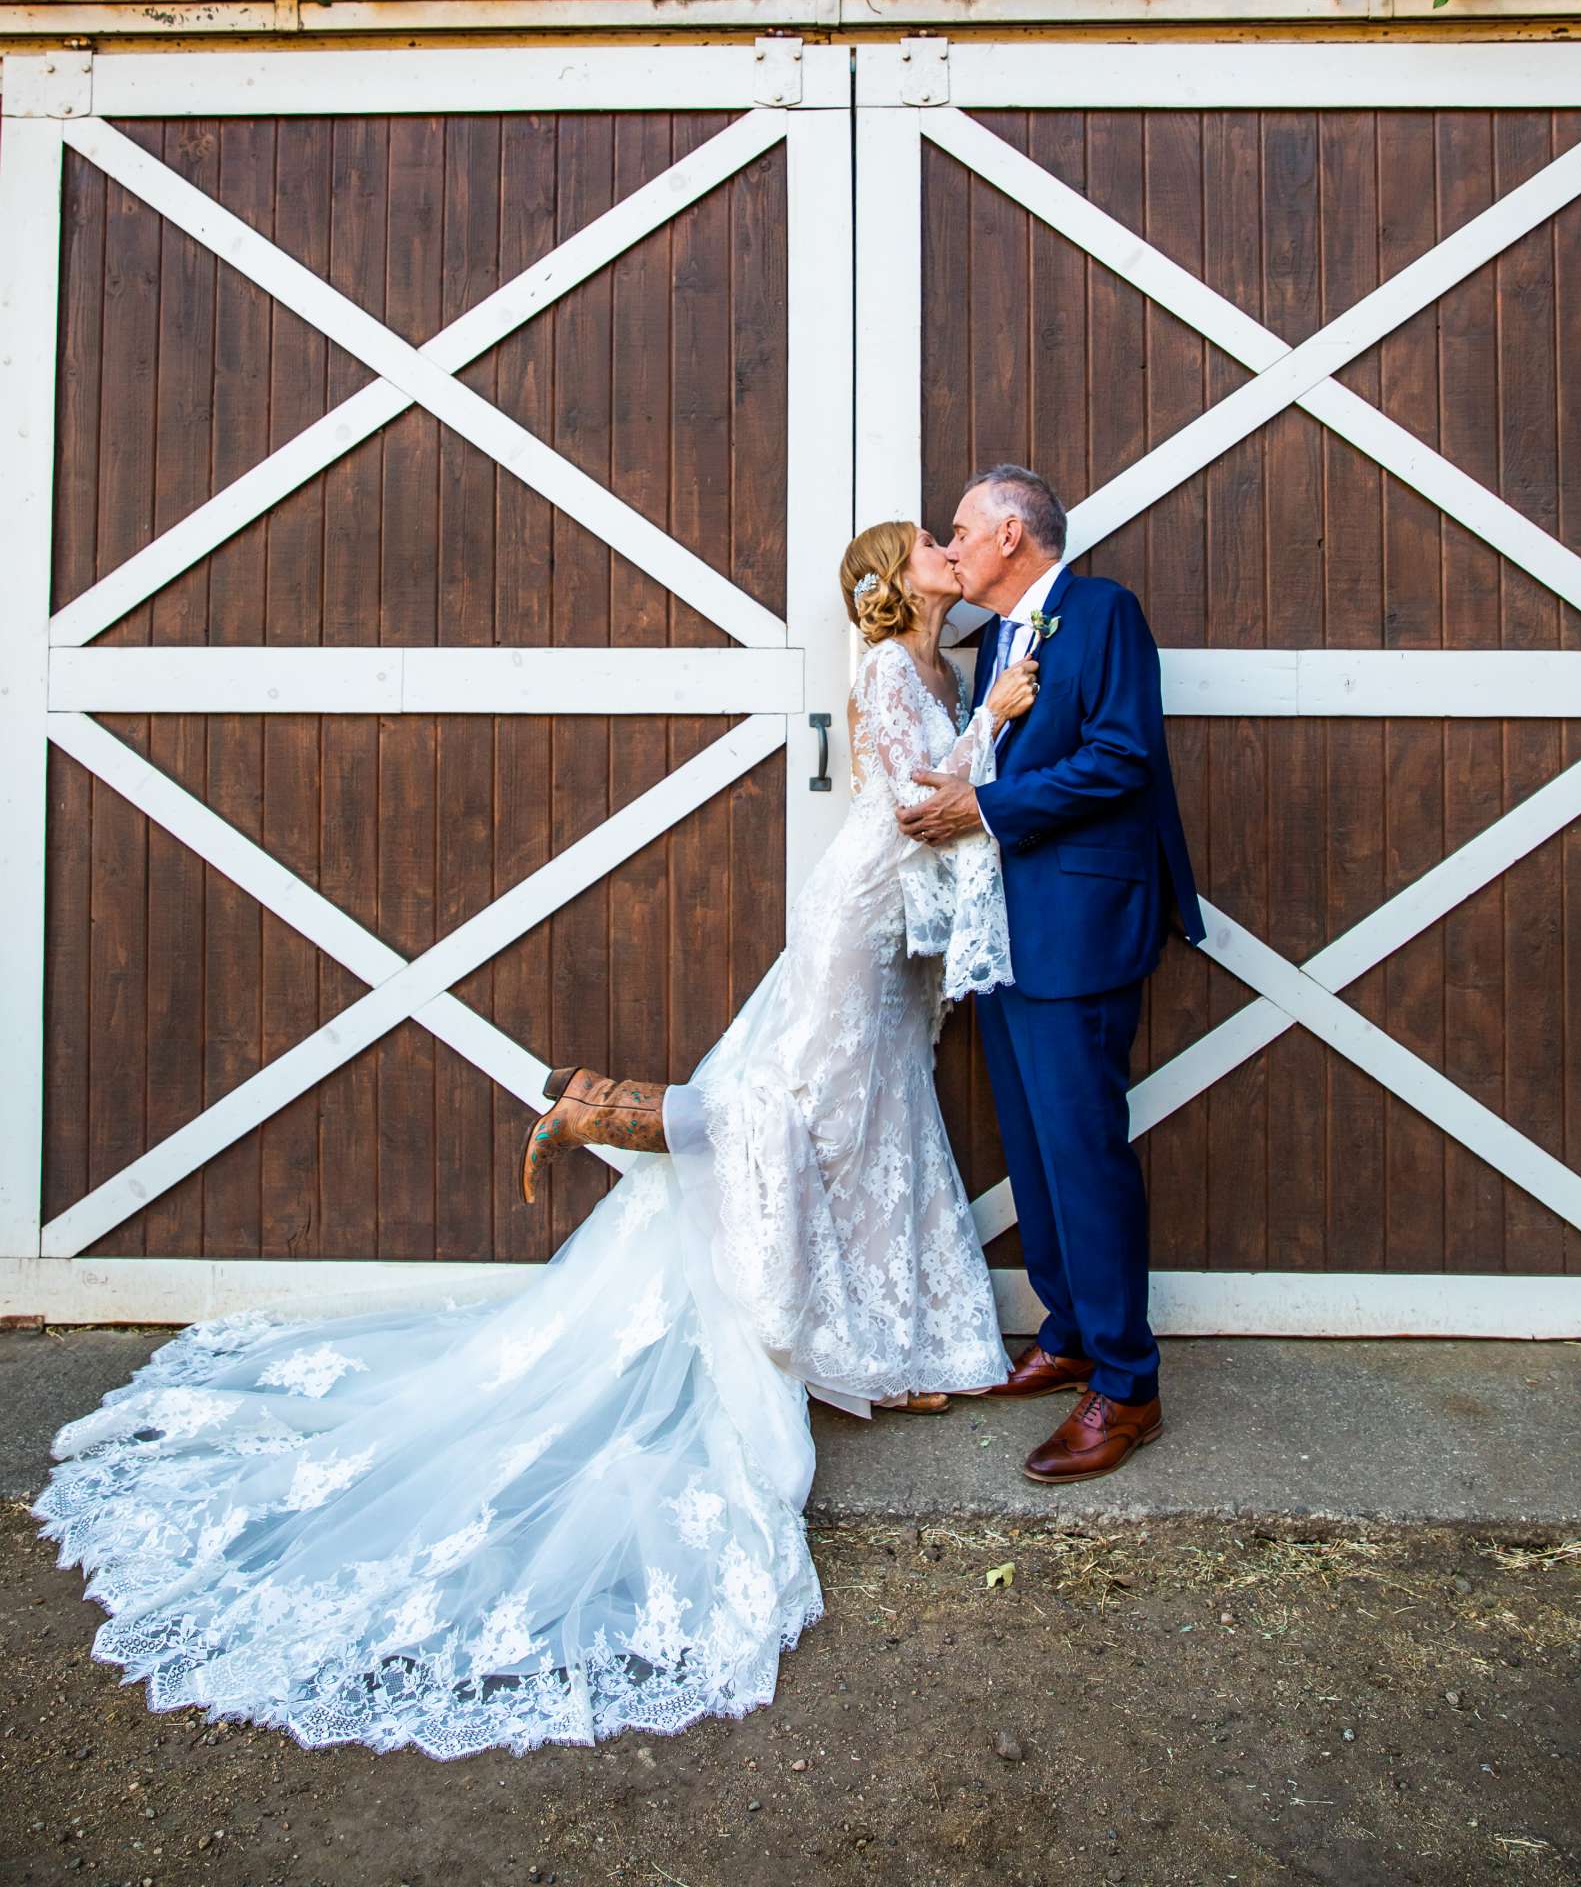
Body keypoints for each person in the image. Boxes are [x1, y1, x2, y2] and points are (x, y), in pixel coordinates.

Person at [34, 522, 1031, 1759]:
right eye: (928, 545)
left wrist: (987, 697)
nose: (948, 550)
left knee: (875, 1120)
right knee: (798, 1108)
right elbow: (911, 799)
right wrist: (996, 726)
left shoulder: (941, 663)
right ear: (893, 582)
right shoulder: (891, 674)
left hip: (897, 938)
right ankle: (603, 1109)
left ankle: (880, 1342)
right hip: (855, 915)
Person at [897, 465, 1204, 1484]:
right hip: (1004, 933)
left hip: (1078, 925)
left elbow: (1122, 757)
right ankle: (1068, 1332)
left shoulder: (1101, 612)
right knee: (1033, 1147)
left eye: (959, 529)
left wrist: (980, 812)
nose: (950, 545)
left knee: (1082, 1152)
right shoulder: (991, 646)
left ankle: (1126, 1385)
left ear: (1012, 539)